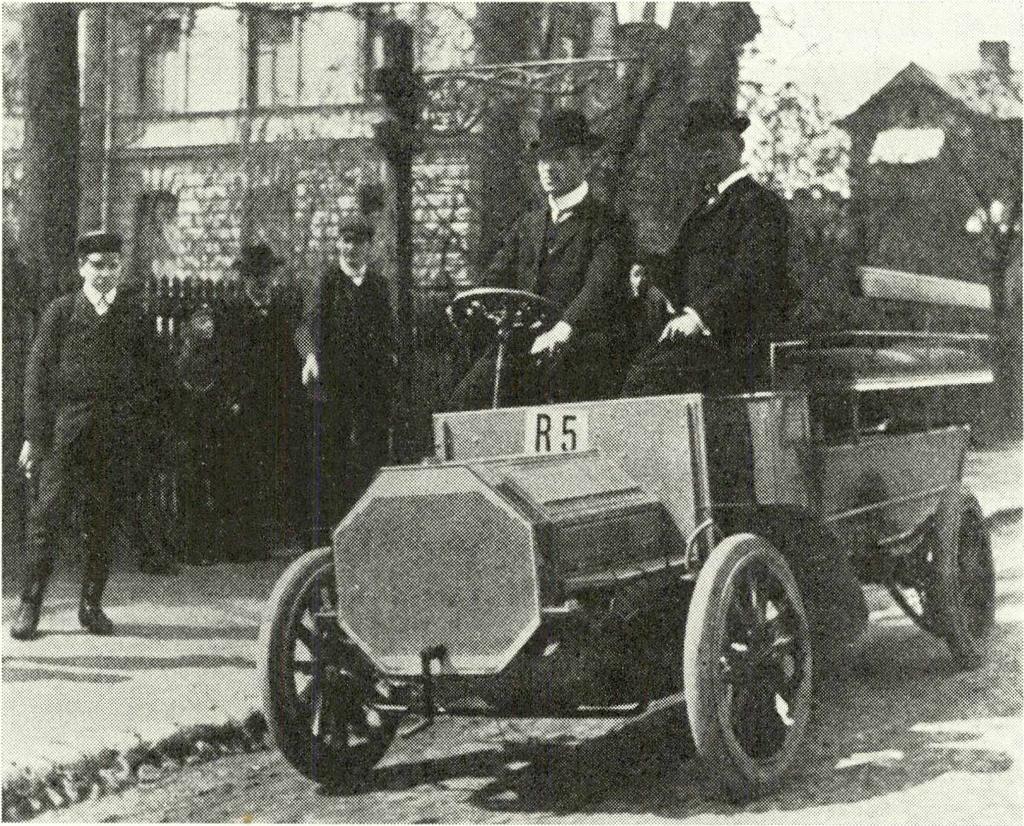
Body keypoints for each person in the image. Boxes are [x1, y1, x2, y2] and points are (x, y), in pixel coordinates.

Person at [11, 231, 169, 640]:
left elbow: (155, 378)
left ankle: (91, 604)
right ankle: (30, 605)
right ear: (82, 268)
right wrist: (34, 436)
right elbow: (36, 379)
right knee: (47, 516)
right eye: (97, 265)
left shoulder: (133, 316)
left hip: (114, 436)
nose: (105, 274)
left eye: (113, 265)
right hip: (66, 432)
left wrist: (140, 428)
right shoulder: (61, 313)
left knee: (103, 520)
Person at [450, 108, 627, 410]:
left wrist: (564, 328)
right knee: (463, 402)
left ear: (585, 160)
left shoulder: (608, 223)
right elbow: (494, 278)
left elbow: (599, 286)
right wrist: (466, 302)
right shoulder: (528, 225)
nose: (548, 168)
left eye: (560, 158)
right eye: (544, 159)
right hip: (521, 345)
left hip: (578, 347)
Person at [621, 101, 799, 397]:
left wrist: (699, 316)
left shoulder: (760, 205)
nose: (707, 157)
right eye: (699, 150)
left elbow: (751, 278)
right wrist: (645, 267)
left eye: (715, 145)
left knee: (647, 380)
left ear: (739, 145)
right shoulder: (702, 212)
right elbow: (679, 270)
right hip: (700, 343)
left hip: (740, 346)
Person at [296, 217, 396, 544]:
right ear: (338, 244)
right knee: (331, 456)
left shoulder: (379, 286)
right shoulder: (327, 282)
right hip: (334, 386)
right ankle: (327, 536)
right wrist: (311, 357)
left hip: (369, 386)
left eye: (357, 243)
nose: (350, 249)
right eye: (345, 241)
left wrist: (392, 362)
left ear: (369, 247)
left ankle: (369, 531)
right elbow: (309, 325)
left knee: (370, 454)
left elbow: (388, 333)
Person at [220, 244, 304, 558]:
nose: (260, 281)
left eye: (264, 275)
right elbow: (227, 358)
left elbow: (292, 351)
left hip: (279, 400)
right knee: (244, 468)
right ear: (244, 278)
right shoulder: (232, 309)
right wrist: (234, 395)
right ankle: (245, 541)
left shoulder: (282, 307)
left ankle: (276, 534)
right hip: (246, 401)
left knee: (278, 465)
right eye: (254, 276)